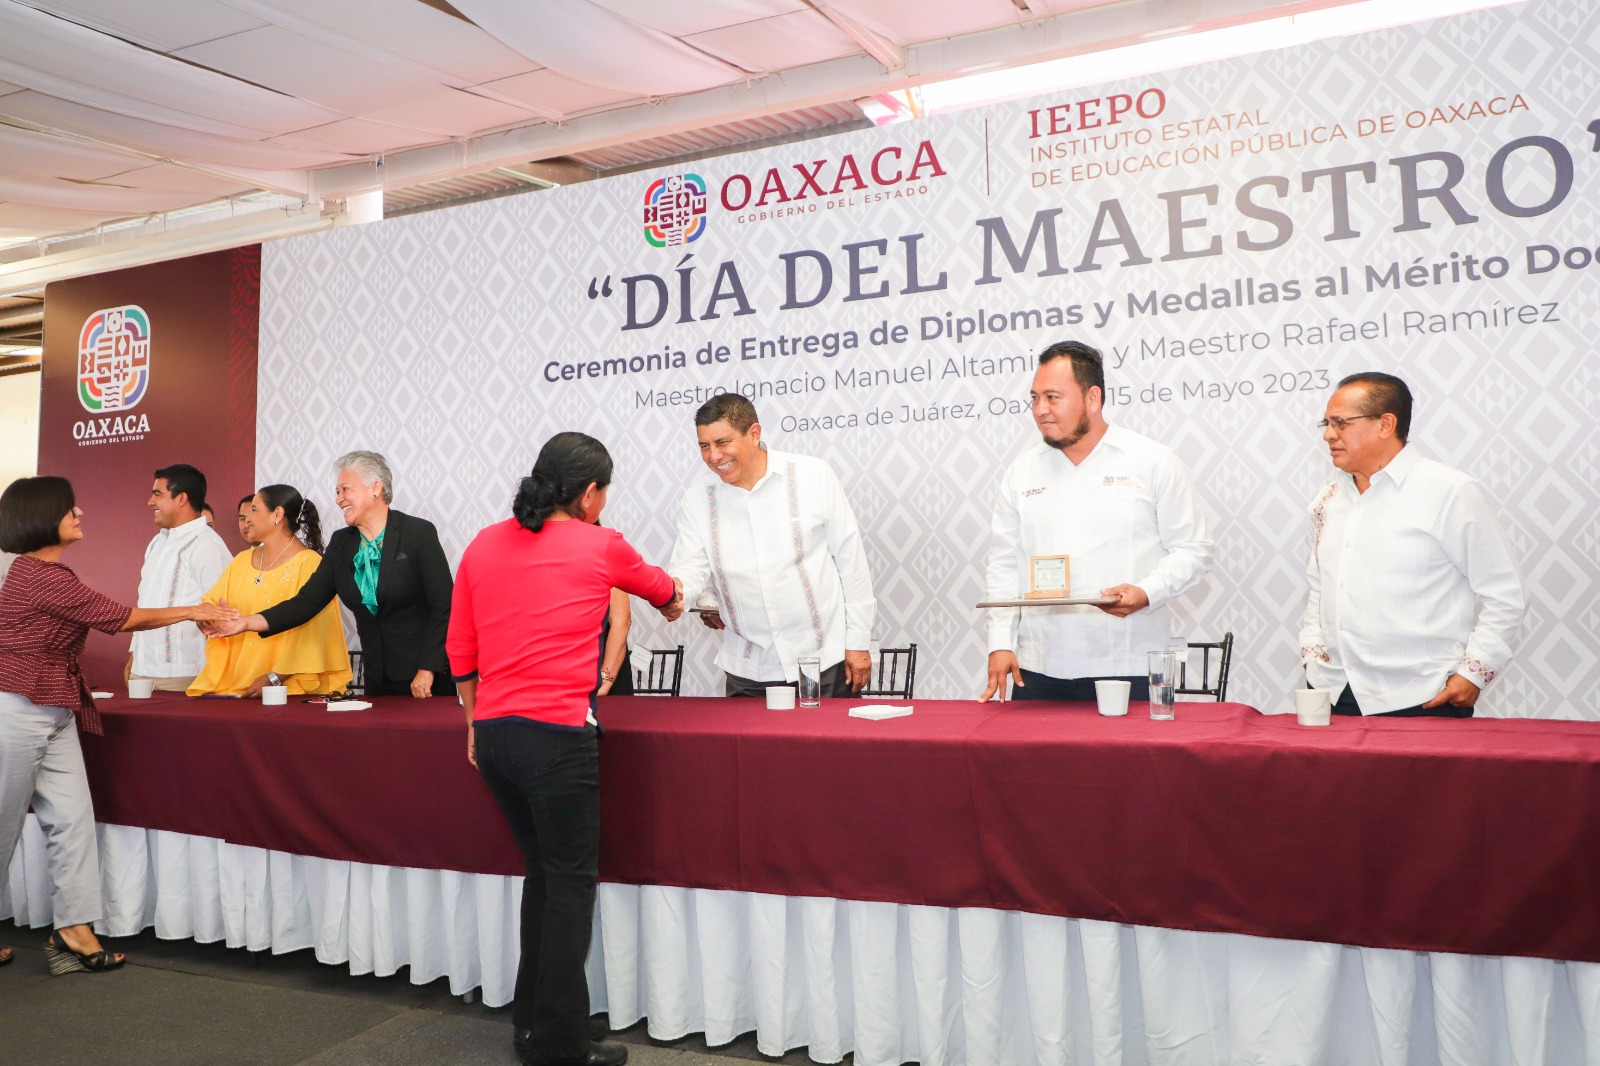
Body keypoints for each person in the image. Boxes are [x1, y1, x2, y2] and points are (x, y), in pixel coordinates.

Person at [448, 433, 682, 1066]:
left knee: (545, 877)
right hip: (555, 739)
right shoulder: (599, 543)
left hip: (495, 738)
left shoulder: (483, 542)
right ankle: (559, 1044)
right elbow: (664, 590)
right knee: (571, 888)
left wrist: (473, 723)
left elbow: (460, 651)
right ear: (590, 494)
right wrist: (678, 598)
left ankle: (533, 1027)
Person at [0, 477, 232, 973]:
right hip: (15, 708)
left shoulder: (43, 571)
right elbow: (119, 618)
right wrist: (194, 609)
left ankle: (73, 928)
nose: (79, 512)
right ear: (41, 516)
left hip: (56, 707)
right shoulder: (38, 576)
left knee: (73, 821)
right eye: (69, 508)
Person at [982, 341, 1212, 702]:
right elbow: (1004, 564)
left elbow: (1193, 550)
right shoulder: (1022, 471)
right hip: (1038, 667)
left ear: (1093, 398)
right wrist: (1000, 642)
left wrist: (1146, 592)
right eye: (1035, 398)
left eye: (1053, 398)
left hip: (1129, 663)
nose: (1040, 410)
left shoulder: (1154, 461)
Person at [1300, 373, 1526, 717]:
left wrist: (1473, 674)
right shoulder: (1327, 501)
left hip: (1423, 696)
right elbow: (1319, 587)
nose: (1328, 435)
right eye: (1326, 424)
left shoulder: (1450, 491)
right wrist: (1312, 654)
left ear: (1385, 424)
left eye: (1341, 423)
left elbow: (1506, 593)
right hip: (1333, 692)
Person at [666, 393, 875, 697]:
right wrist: (671, 593)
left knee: (831, 732)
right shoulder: (697, 498)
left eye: (722, 442)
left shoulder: (813, 475)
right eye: (704, 446)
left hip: (822, 662)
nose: (714, 456)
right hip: (748, 671)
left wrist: (858, 642)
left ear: (754, 433)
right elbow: (690, 567)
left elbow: (850, 560)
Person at [205, 451, 454, 698]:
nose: (338, 499)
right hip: (377, 678)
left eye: (345, 489)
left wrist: (428, 668)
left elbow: (443, 606)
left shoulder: (418, 533)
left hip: (426, 678)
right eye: (337, 492)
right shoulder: (342, 542)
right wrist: (247, 622)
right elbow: (306, 603)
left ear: (375, 488)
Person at [189, 485, 351, 697]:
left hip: (288, 691)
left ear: (277, 514)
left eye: (254, 510)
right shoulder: (241, 560)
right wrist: (206, 615)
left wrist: (275, 678)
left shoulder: (310, 563)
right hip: (237, 688)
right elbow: (212, 601)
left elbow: (315, 634)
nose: (247, 519)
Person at [126, 463, 233, 692]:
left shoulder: (208, 545)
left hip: (185, 674)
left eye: (157, 494)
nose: (150, 502)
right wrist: (134, 656)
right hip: (141, 672)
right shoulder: (157, 542)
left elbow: (223, 612)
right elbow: (145, 603)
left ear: (181, 498)